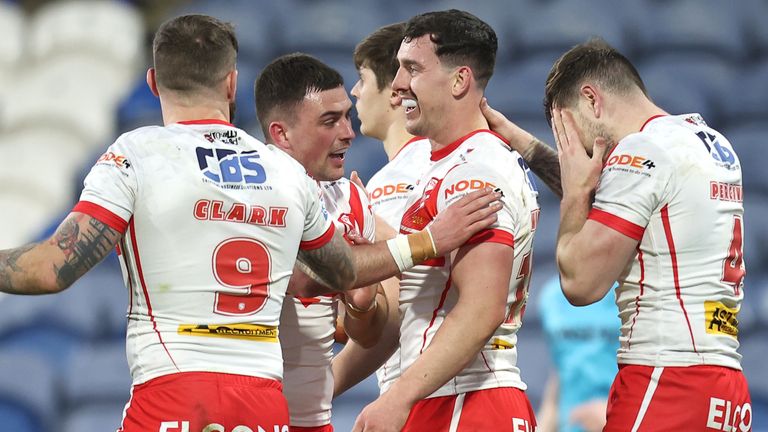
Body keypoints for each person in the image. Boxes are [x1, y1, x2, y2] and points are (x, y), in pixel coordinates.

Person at [0, 14, 500, 432]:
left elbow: (52, 269)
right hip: (263, 403)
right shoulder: (283, 172)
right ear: (231, 83)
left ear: (153, 83)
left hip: (174, 389)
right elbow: (344, 271)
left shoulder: (137, 153)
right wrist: (429, 240)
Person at [545, 38, 750, 430]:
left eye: (570, 135)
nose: (580, 155)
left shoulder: (641, 149)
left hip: (666, 377)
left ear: (592, 100)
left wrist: (573, 193)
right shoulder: (710, 143)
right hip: (724, 388)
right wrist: (522, 145)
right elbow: (617, 203)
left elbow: (580, 283)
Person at [353, 10, 540, 431]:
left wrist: (398, 397)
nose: (398, 86)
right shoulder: (450, 164)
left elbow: (481, 306)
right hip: (456, 396)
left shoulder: (475, 171)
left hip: (463, 401)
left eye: (412, 69)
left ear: (460, 81)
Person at [254, 53, 384, 432]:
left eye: (347, 115)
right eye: (330, 121)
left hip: (314, 421)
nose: (349, 132)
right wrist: (425, 243)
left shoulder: (352, 200)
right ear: (282, 134)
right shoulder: (245, 195)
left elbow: (367, 334)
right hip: (245, 415)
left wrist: (362, 305)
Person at [331, 21, 428, 399]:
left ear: (394, 92)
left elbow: (390, 321)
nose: (355, 91)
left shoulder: (394, 182)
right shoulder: (454, 162)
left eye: (362, 78)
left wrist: (317, 391)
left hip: (423, 391)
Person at [536, 276, 619, 432]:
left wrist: (614, 412)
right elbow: (560, 375)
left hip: (625, 421)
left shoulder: (634, 293)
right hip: (569, 425)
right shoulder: (552, 297)